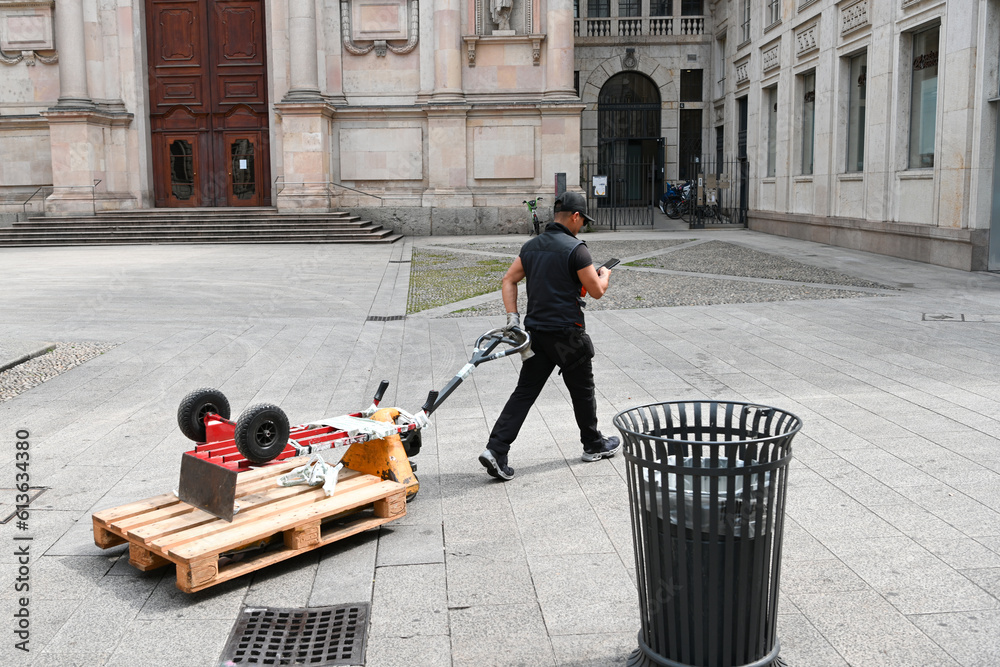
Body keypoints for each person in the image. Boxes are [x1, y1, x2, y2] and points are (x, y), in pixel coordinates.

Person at [479, 191, 621, 481]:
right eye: (582, 221)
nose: (582, 226)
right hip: (568, 335)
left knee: (524, 392)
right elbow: (595, 291)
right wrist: (604, 274)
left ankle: (496, 449)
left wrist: (512, 318)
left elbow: (509, 279)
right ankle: (593, 444)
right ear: (575, 216)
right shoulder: (577, 249)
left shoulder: (531, 247)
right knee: (582, 391)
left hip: (537, 333)